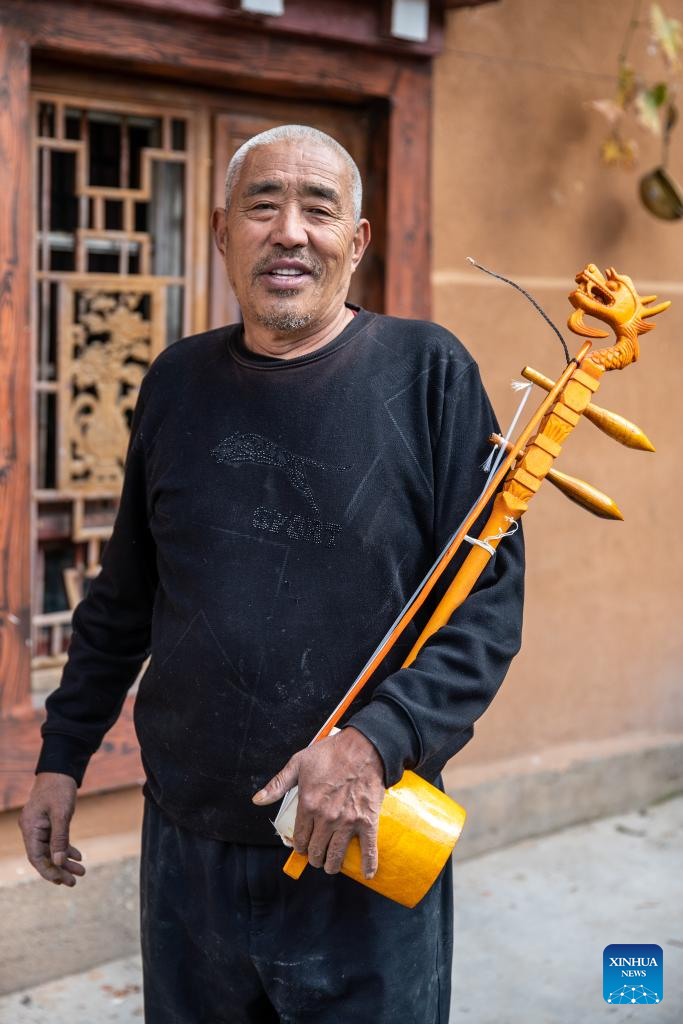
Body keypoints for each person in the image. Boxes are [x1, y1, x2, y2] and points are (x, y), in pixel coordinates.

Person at [19, 125, 524, 1023]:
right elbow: (125, 596)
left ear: (356, 240)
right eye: (262, 205)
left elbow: (485, 609)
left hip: (361, 834)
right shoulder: (176, 382)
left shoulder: (428, 373)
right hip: (189, 841)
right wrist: (62, 754)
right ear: (221, 233)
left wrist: (373, 740)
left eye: (318, 208)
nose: (289, 231)